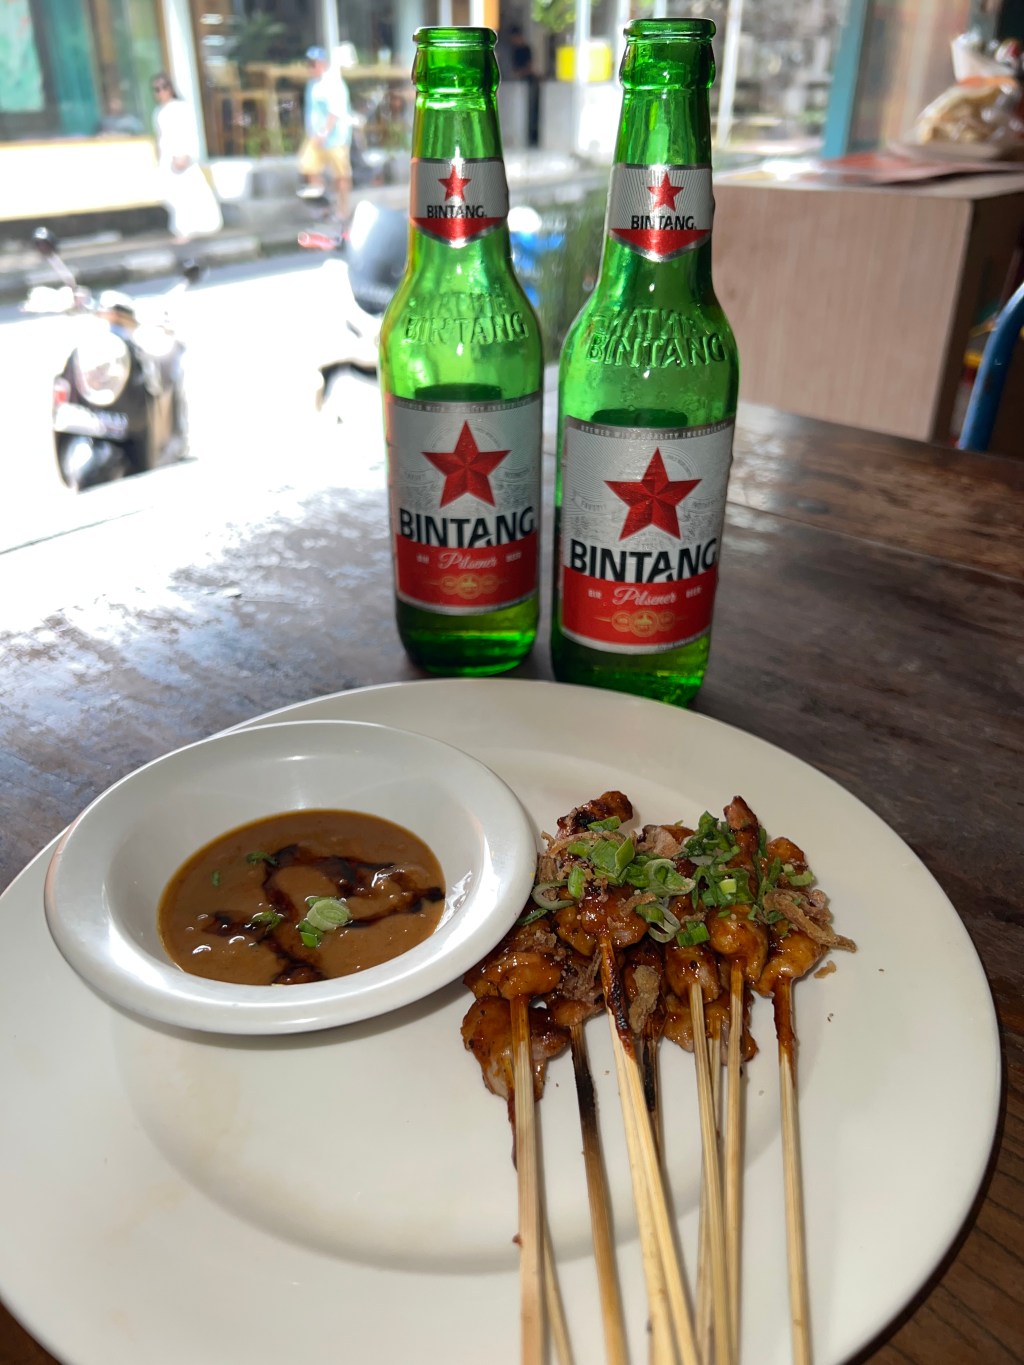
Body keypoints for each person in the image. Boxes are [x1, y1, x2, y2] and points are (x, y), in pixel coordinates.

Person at [151, 73, 223, 244]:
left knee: (186, 193)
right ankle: (185, 228)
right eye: (157, 89)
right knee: (171, 195)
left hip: (182, 156)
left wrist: (185, 155)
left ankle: (185, 230)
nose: (161, 92)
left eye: (164, 87)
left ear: (171, 88)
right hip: (167, 157)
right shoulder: (158, 111)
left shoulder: (181, 108)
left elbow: (189, 133)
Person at [298, 46, 353, 223]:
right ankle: (323, 206)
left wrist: (324, 133)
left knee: (341, 175)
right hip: (315, 138)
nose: (311, 67)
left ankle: (342, 210)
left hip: (336, 138)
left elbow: (335, 112)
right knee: (308, 167)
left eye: (314, 64)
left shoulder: (333, 83)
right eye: (309, 64)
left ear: (323, 64)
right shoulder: (311, 84)